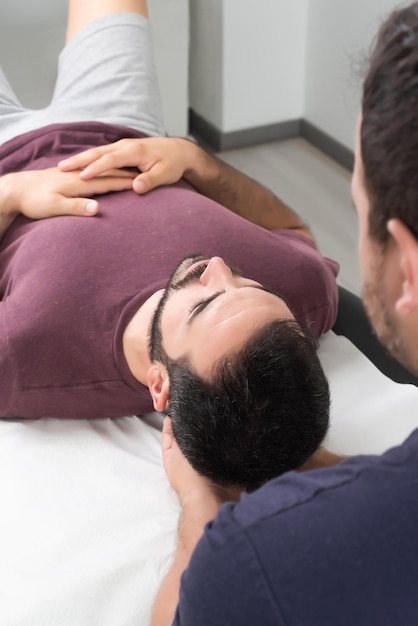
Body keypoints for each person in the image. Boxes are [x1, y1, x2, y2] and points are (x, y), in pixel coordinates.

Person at [148, 3, 418, 625]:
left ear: (405, 262)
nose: (218, 261)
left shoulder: (252, 563)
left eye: (358, 203)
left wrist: (196, 500)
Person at [0, 0, 338, 488]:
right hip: (121, 125)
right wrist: (196, 160)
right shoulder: (301, 297)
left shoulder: (25, 357)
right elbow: (290, 228)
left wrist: (11, 194)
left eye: (202, 306)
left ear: (160, 384)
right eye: (252, 284)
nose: (218, 266)